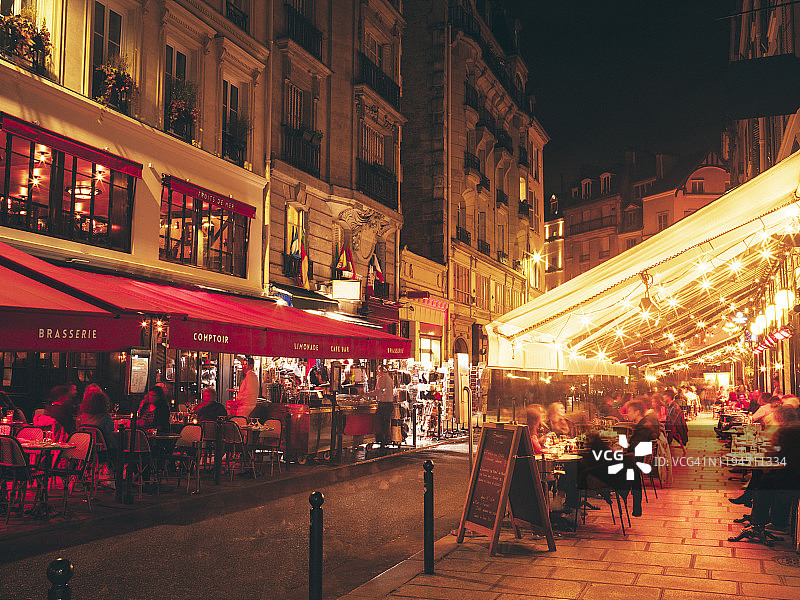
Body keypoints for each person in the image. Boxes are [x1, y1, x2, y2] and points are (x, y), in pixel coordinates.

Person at [370, 364, 395, 450]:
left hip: (384, 404)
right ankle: (385, 440)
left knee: (381, 422)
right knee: (386, 423)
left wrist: (368, 394)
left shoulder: (382, 378)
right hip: (389, 403)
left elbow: (378, 391)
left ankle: (382, 440)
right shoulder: (389, 378)